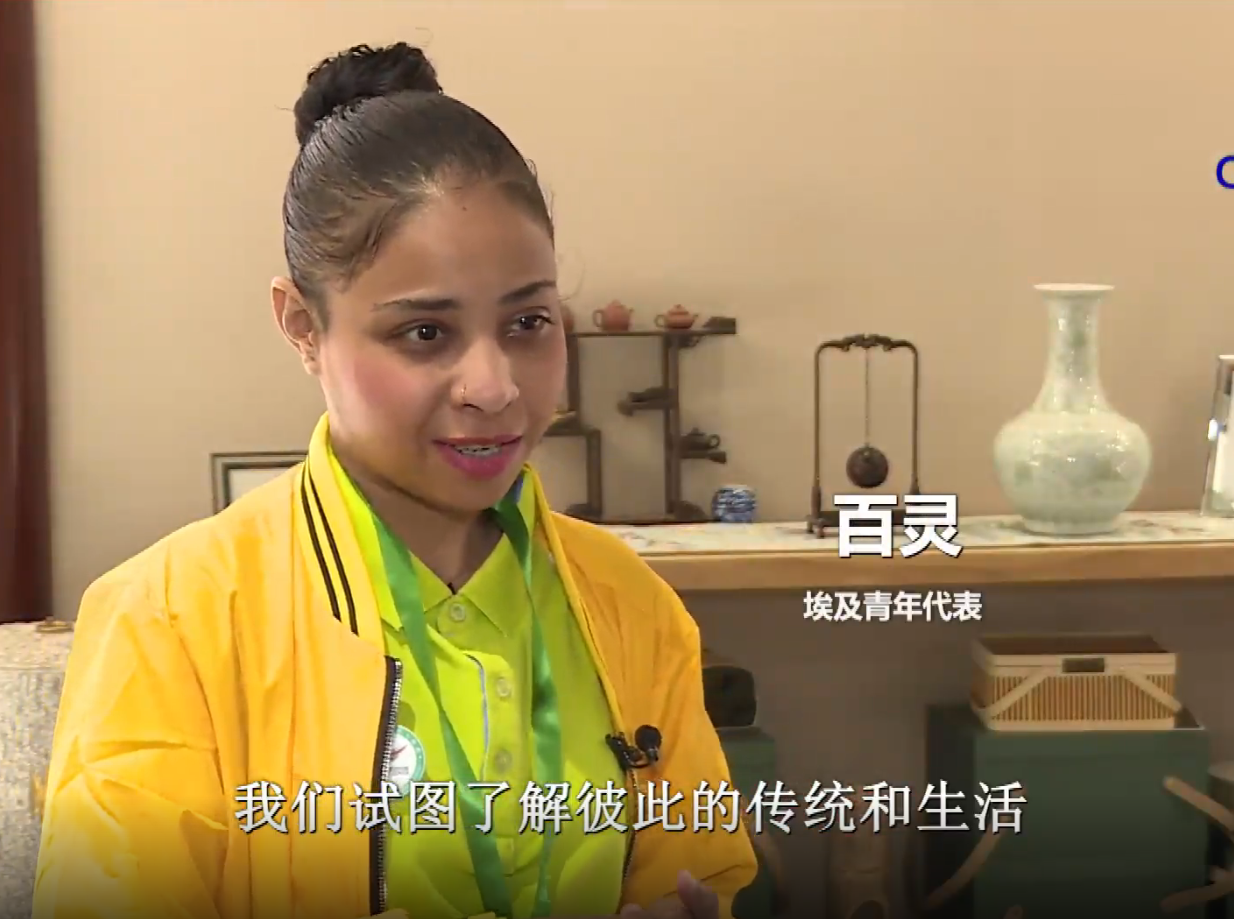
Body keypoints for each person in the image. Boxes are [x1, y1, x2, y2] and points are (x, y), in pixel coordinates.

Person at [33, 42, 757, 919]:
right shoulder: (171, 618)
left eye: (529, 321)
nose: (493, 386)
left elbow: (704, 873)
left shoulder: (629, 604)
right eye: (424, 333)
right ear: (302, 326)